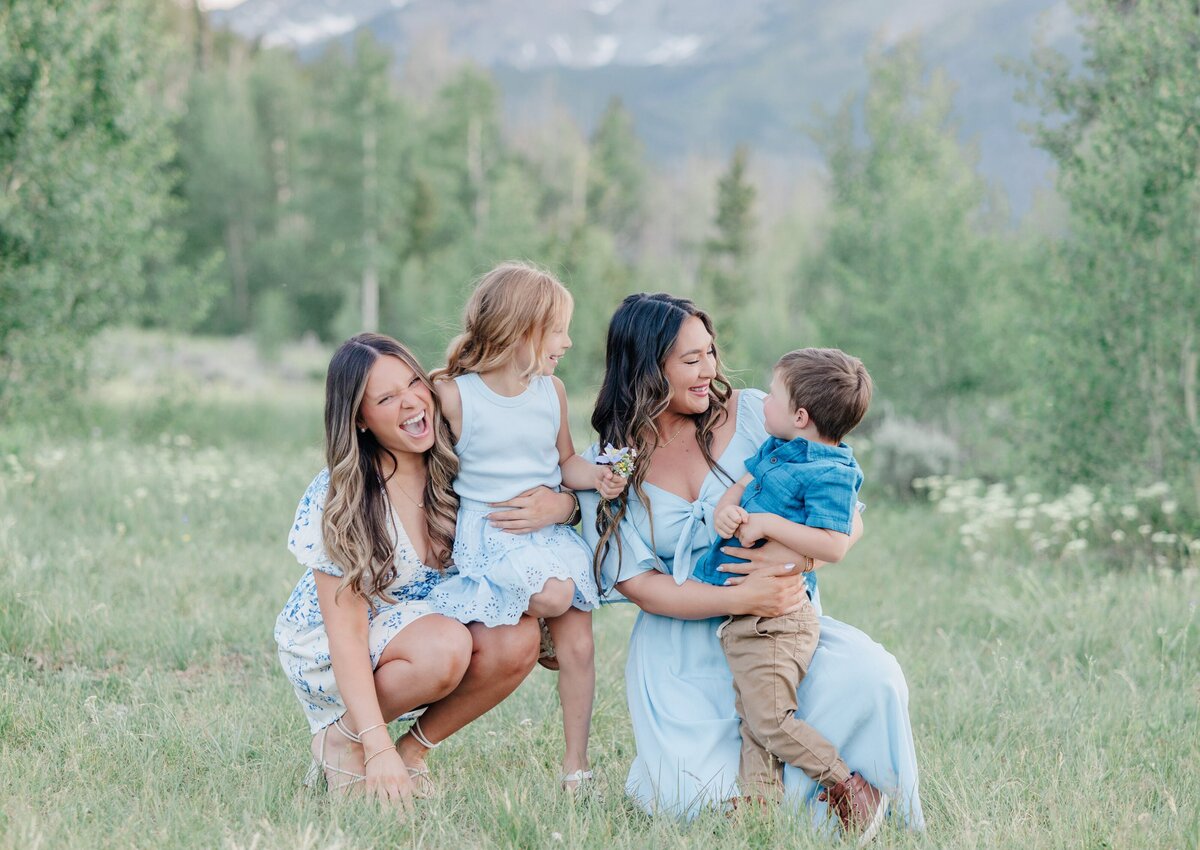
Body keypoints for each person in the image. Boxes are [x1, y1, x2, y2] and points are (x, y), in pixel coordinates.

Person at [579, 293, 924, 835]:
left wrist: (790, 561)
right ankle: (761, 803)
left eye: (710, 352)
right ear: (646, 368)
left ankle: (857, 796)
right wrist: (735, 598)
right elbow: (637, 582)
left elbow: (847, 521)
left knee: (874, 677)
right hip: (681, 642)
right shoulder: (617, 457)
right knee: (689, 803)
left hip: (777, 620)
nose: (709, 370)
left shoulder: (761, 413)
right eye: (690, 360)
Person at [275, 333, 541, 809]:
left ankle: (413, 752)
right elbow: (347, 637)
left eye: (414, 382)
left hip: (421, 618)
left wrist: (561, 505)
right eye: (386, 398)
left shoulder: (459, 463)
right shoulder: (344, 496)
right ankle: (344, 738)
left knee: (519, 637)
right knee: (445, 647)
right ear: (360, 419)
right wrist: (372, 747)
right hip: (330, 646)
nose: (412, 402)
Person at [429, 262, 626, 789]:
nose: (567, 340)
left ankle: (576, 766)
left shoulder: (551, 392)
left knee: (580, 648)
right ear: (520, 329)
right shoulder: (455, 394)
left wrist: (598, 477)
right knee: (557, 596)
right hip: (494, 534)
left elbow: (565, 463)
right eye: (557, 329)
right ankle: (528, 624)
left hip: (550, 536)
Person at [691, 346, 888, 842]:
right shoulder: (780, 448)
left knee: (772, 719)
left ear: (801, 416)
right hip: (744, 615)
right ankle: (759, 807)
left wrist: (771, 524)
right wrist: (727, 511)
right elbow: (746, 481)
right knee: (753, 718)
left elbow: (834, 544)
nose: (763, 405)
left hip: (779, 619)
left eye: (773, 397)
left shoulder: (833, 473)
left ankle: (850, 787)